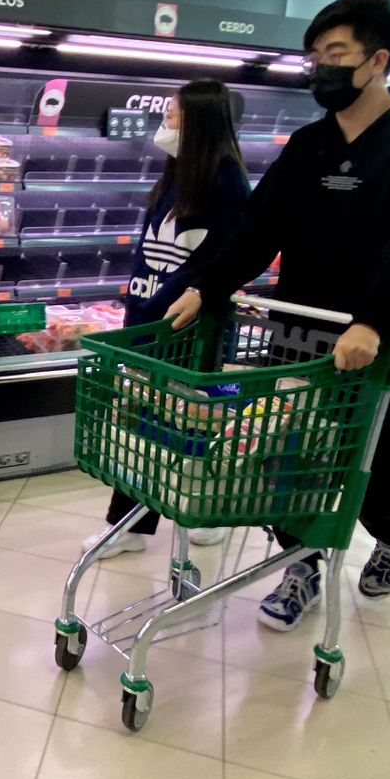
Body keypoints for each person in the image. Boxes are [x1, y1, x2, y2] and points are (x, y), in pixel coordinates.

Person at [166, 0, 390, 630]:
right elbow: (257, 228)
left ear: (378, 59)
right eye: (314, 57)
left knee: (378, 471)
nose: (319, 68)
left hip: (374, 343)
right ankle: (301, 567)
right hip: (297, 331)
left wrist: (375, 320)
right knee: (285, 457)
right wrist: (208, 285)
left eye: (336, 54)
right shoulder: (309, 145)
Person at [83, 79, 251, 559]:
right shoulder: (177, 173)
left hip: (192, 329)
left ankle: (209, 512)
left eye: (173, 114)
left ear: (198, 121)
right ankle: (131, 526)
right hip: (149, 320)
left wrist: (186, 300)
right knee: (144, 428)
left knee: (195, 429)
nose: (165, 121)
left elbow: (224, 260)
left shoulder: (226, 180)